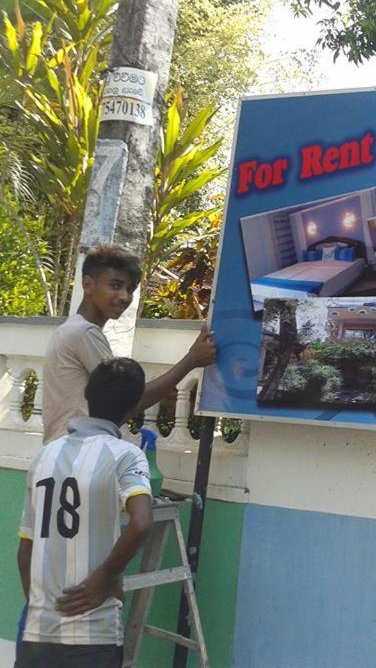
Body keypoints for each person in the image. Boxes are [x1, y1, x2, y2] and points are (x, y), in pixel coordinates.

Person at [16, 358, 155, 668]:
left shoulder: (45, 456)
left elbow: (25, 551)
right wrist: (102, 580)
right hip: (94, 633)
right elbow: (142, 521)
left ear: (88, 399)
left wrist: (39, 611)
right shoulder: (126, 455)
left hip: (38, 634)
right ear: (134, 409)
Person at [42, 244, 217, 443]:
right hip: (77, 457)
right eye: (115, 286)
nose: (125, 297)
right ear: (88, 285)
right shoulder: (84, 332)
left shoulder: (73, 329)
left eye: (130, 289)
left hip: (63, 455)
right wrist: (191, 359)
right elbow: (130, 401)